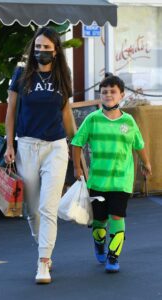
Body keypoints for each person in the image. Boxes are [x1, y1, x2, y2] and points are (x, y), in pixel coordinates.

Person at [4, 26, 74, 284]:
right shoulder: (21, 74)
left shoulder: (62, 75)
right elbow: (11, 111)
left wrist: (76, 145)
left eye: (46, 47)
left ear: (55, 51)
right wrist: (10, 145)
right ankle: (42, 244)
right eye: (38, 47)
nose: (41, 51)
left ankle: (43, 261)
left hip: (55, 146)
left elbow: (66, 113)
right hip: (27, 146)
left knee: (47, 208)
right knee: (32, 209)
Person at [71, 74, 152, 273]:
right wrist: (77, 168)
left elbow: (139, 144)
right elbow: (76, 143)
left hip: (122, 180)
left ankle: (113, 256)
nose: (108, 95)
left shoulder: (129, 121)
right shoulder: (92, 119)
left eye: (112, 91)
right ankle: (99, 243)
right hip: (98, 180)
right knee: (100, 221)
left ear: (121, 95)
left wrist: (146, 163)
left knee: (117, 216)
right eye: (104, 91)